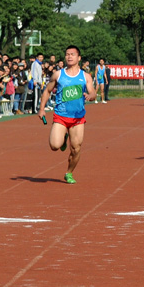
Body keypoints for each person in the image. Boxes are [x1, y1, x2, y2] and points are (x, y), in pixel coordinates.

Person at [38, 45, 97, 184]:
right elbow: (47, 91)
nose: (69, 57)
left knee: (76, 149)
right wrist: (41, 109)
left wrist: (90, 96)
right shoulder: (58, 75)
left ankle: (69, 173)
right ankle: (63, 138)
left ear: (79, 58)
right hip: (61, 116)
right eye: (67, 54)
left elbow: (93, 92)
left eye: (72, 54)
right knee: (54, 146)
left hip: (77, 118)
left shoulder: (85, 76)